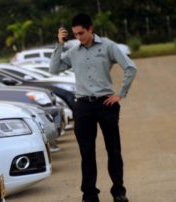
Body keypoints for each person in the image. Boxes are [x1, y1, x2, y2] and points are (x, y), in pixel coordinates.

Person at [50, 13, 137, 202]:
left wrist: (120, 94)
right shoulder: (73, 52)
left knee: (113, 150)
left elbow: (130, 67)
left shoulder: (108, 46)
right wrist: (60, 44)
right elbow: (53, 69)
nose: (78, 37)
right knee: (86, 152)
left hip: (106, 104)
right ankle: (89, 195)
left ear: (90, 29)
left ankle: (119, 192)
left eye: (81, 33)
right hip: (83, 107)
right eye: (74, 34)